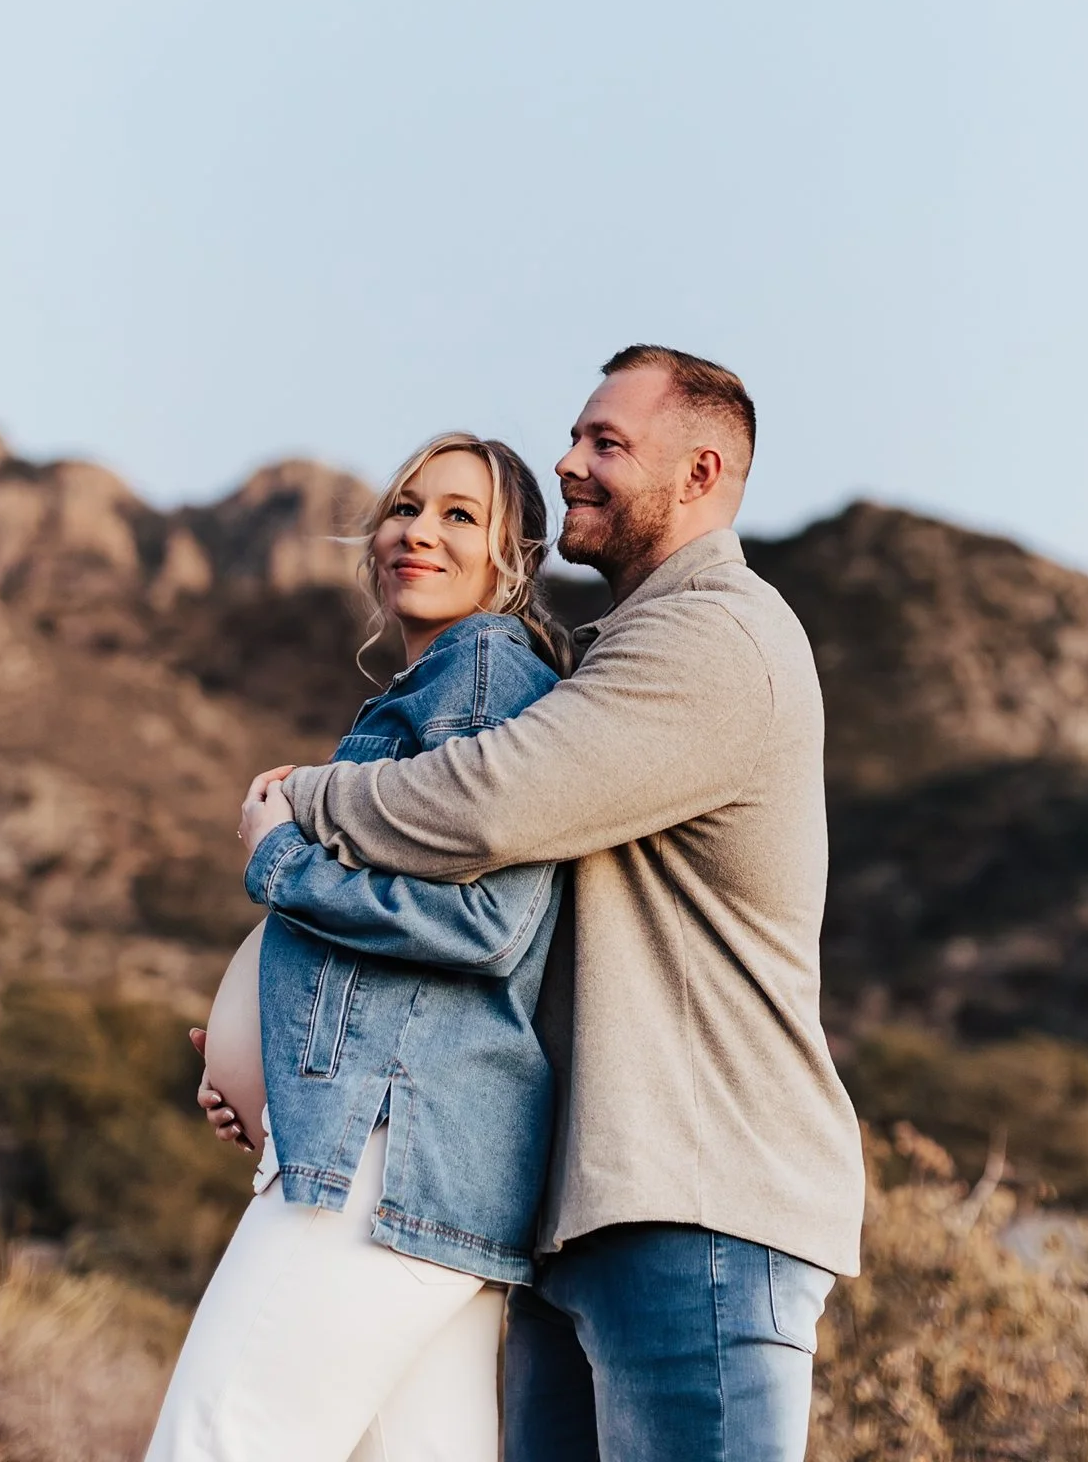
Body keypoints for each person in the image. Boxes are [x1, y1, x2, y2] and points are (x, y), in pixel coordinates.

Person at [247, 344, 866, 1462]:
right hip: (585, 1209)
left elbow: (487, 804)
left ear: (701, 472)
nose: (569, 461)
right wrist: (259, 1053)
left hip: (700, 1206)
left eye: (606, 442)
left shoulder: (715, 635)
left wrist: (298, 802)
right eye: (576, 435)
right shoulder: (610, 653)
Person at [146, 433, 570, 1462]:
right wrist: (262, 1059)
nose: (418, 531)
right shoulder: (440, 686)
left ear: (514, 558)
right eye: (405, 507)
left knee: (218, 1437)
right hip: (410, 1162)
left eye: (460, 515)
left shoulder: (480, 673)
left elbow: (484, 924)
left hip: (386, 1157)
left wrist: (278, 858)